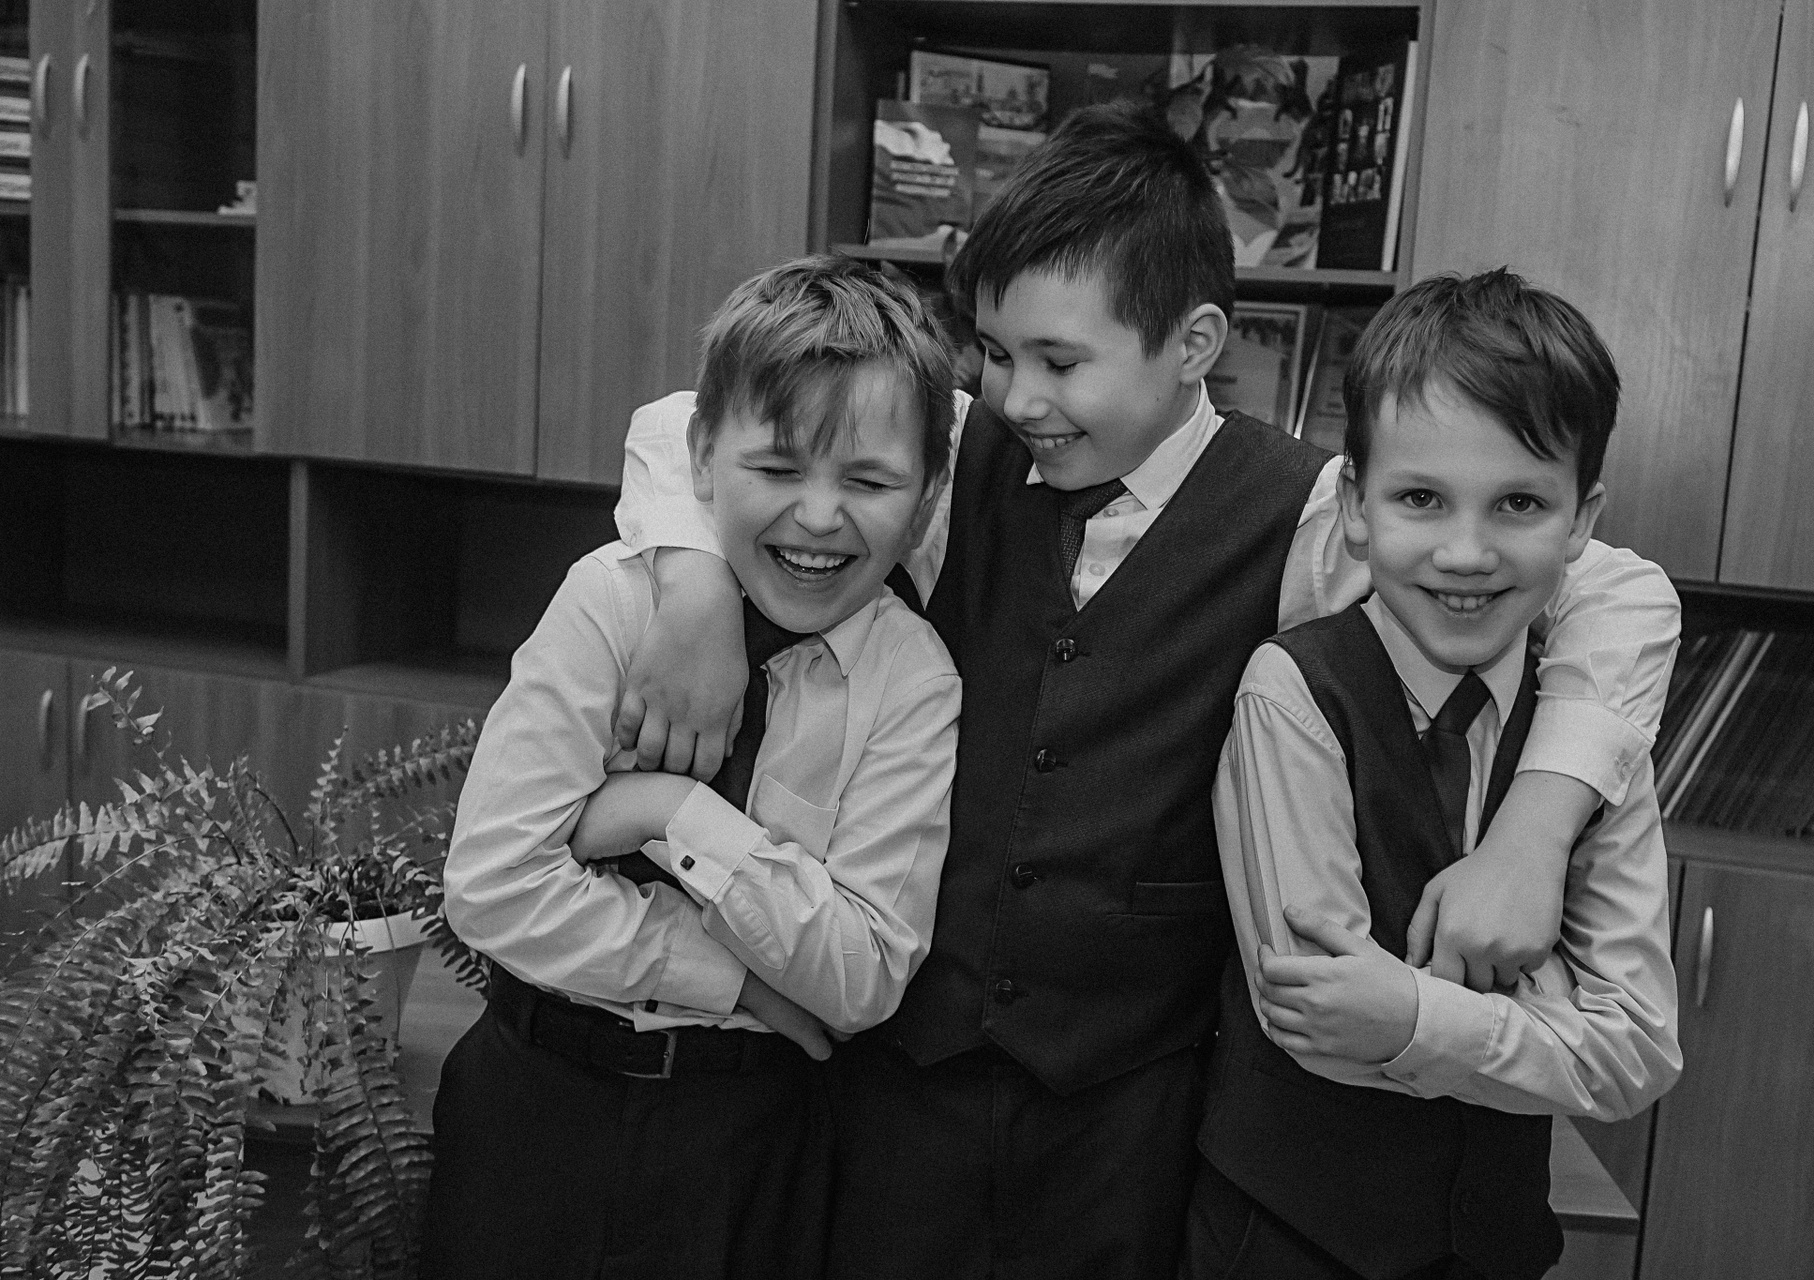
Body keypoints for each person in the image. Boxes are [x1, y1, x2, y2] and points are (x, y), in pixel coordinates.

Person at [615, 103, 1679, 1279]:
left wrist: (1534, 829)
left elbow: (1617, 589)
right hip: (894, 1082)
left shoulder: (1311, 511)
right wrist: (694, 585)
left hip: (1133, 1116)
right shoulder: (945, 460)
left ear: (1195, 342)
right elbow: (682, 423)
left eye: (1062, 361)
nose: (1020, 396)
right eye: (995, 352)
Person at [423, 257, 963, 1280]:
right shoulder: (614, 601)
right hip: (532, 1102)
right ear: (703, 457)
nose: (819, 516)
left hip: (750, 1135)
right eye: (779, 469)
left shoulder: (912, 680)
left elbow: (861, 974)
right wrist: (741, 978)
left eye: (868, 482)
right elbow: (493, 886)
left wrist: (669, 811)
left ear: (928, 495)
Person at [1192, 270, 1683, 1280]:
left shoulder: (1594, 736)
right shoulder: (1294, 692)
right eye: (1421, 498)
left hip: (1497, 1247)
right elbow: (1318, 1022)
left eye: (1519, 503)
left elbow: (1637, 1050)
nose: (1466, 553)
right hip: (1286, 1242)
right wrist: (1547, 1018)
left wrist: (1411, 1014)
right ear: (1354, 505)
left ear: (1581, 520)